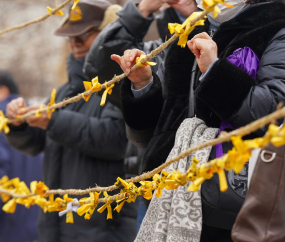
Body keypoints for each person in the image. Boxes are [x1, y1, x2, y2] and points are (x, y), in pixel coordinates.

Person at [112, 0, 285, 241]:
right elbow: (154, 133)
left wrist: (215, 70)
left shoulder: (276, 27)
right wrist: (143, 85)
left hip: (234, 203)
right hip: (168, 195)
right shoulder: (186, 33)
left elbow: (274, 114)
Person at [5, 1, 138, 242]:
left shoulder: (120, 85)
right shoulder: (65, 92)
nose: (74, 44)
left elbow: (116, 140)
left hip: (104, 231)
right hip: (56, 229)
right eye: (70, 37)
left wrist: (52, 121)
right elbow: (35, 144)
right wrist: (19, 124)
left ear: (108, 33)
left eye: (83, 36)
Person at [0, 71, 43, 242]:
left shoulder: (2, 121)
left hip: (7, 229)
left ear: (3, 91)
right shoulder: (36, 120)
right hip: (34, 228)